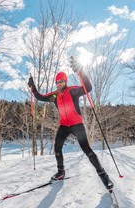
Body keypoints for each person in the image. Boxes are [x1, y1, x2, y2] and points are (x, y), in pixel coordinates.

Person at [27, 59, 114, 190]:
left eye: (61, 81)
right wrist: (33, 88)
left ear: (65, 81)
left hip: (77, 124)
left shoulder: (72, 91)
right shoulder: (55, 95)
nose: (59, 84)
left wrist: (81, 71)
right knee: (57, 147)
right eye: (57, 82)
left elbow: (88, 88)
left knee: (87, 150)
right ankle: (61, 172)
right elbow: (40, 97)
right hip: (63, 126)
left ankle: (103, 176)